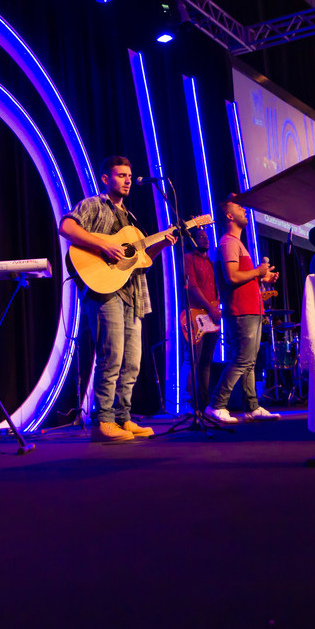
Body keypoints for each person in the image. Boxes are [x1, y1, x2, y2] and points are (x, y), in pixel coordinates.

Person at [60, 156, 175, 443]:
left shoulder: (132, 220)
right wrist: (104, 245)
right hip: (105, 292)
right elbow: (67, 227)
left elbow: (142, 262)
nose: (127, 180)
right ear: (105, 179)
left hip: (133, 295)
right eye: (121, 175)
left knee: (133, 361)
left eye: (129, 175)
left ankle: (123, 418)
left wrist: (162, 242)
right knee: (111, 358)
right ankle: (104, 421)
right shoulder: (92, 205)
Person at [205, 197, 280, 423]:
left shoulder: (236, 243)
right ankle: (216, 405)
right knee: (242, 358)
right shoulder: (228, 242)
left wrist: (262, 276)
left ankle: (252, 406)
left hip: (251, 309)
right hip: (241, 310)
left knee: (249, 360)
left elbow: (242, 277)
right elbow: (232, 277)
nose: (244, 210)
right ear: (229, 216)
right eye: (239, 208)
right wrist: (258, 272)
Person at [181, 225, 219, 411]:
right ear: (192, 240)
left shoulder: (212, 263)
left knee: (206, 362)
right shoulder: (188, 259)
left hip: (211, 317)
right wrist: (211, 307)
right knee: (194, 361)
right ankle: (190, 403)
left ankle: (203, 405)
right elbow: (193, 288)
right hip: (195, 315)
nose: (206, 239)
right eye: (201, 236)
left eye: (207, 236)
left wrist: (217, 306)